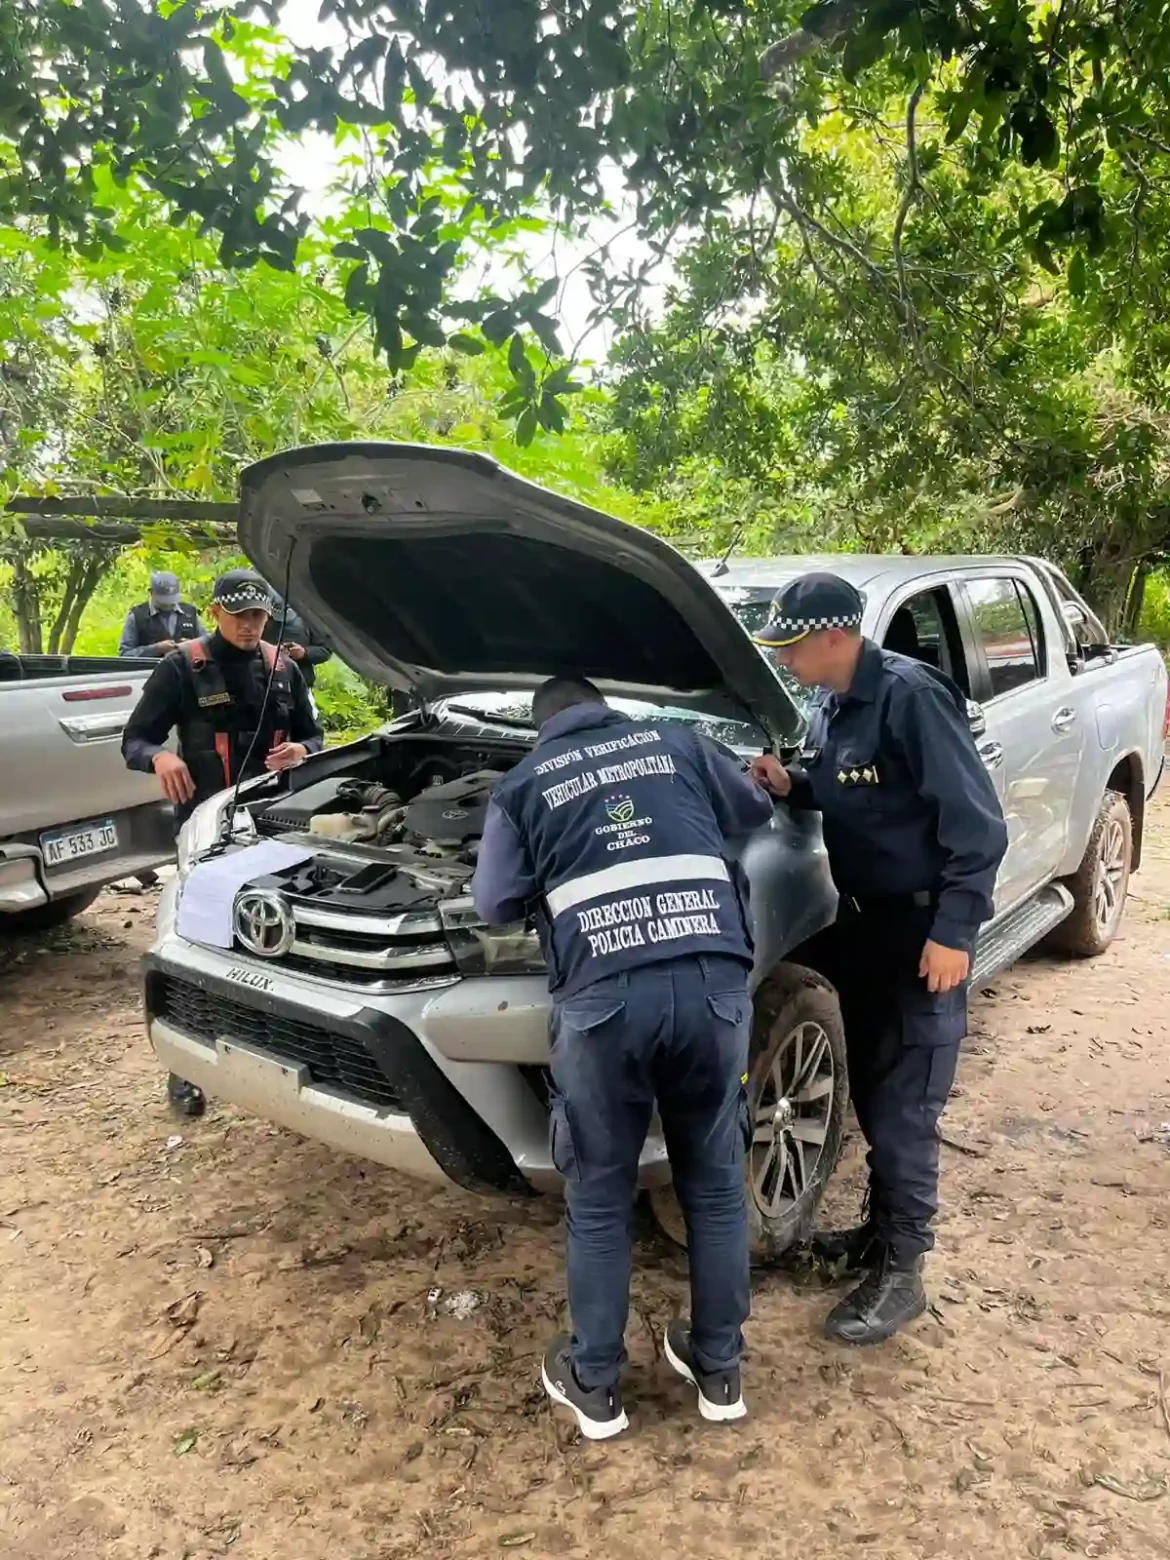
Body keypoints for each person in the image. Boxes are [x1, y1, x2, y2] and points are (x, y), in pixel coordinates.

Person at [471, 675, 774, 1440]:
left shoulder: (522, 784)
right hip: (713, 988)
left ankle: (596, 1384)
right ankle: (719, 1370)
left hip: (605, 1005)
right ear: (604, 708)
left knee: (601, 1196)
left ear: (542, 728)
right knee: (712, 1187)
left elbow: (494, 905)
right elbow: (755, 811)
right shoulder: (678, 742)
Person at [748, 573, 1007, 1345]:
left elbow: (978, 830)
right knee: (874, 1091)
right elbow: (849, 789)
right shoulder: (832, 701)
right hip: (867, 928)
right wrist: (792, 784)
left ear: (833, 638)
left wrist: (956, 933)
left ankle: (903, 1274)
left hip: (923, 933)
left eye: (791, 646)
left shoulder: (909, 698)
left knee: (906, 1113)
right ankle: (875, 1234)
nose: (784, 660)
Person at [122, 569, 324, 1119]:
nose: (250, 625)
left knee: (273, 944)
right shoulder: (183, 666)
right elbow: (134, 740)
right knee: (196, 945)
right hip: (206, 828)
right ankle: (184, 1068)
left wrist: (302, 752)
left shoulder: (283, 666)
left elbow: (314, 733)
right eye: (239, 616)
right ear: (214, 612)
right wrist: (160, 757)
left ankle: (286, 1053)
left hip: (273, 827)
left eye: (258, 615)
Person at [118, 571, 205, 658]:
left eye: (172, 600)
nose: (168, 605)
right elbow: (125, 654)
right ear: (151, 593)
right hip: (150, 670)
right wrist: (156, 649)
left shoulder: (190, 613)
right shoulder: (137, 616)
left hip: (185, 670)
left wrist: (191, 646)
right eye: (164, 601)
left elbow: (207, 645)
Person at [261, 588, 333, 690]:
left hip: (299, 684)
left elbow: (326, 650)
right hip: (264, 681)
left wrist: (304, 653)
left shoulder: (310, 620)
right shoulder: (260, 618)